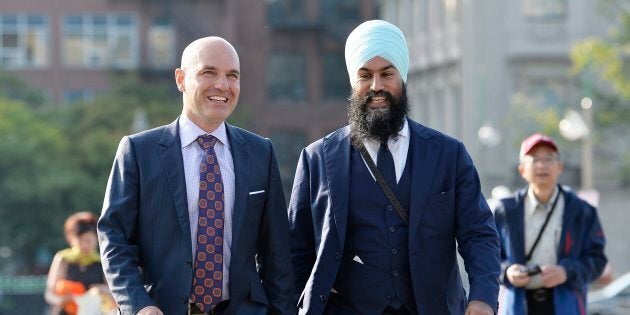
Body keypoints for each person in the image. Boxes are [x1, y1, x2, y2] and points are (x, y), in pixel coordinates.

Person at [288, 20, 500, 315]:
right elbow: (295, 253)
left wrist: (483, 298)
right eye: (365, 75)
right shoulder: (318, 159)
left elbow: (478, 234)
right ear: (353, 82)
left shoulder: (449, 155)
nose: (377, 86)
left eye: (387, 73)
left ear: (402, 77)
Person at [98, 36, 294, 315]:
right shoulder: (139, 151)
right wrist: (138, 305)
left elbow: (278, 255)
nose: (222, 85)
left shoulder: (261, 152)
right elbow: (114, 238)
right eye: (209, 72)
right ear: (180, 79)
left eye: (232, 76)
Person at [493, 133, 607, 315]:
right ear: (522, 169)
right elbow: (487, 256)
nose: (542, 165)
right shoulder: (505, 210)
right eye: (535, 159)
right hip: (518, 306)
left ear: (560, 167)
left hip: (566, 306)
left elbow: (597, 260)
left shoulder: (581, 211)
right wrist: (507, 272)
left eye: (549, 159)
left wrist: (566, 271)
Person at [45, 211, 114, 315]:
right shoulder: (63, 259)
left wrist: (102, 290)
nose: (85, 245)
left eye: (89, 241)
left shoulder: (101, 261)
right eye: (81, 240)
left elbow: (114, 292)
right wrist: (63, 300)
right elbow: (49, 294)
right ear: (71, 239)